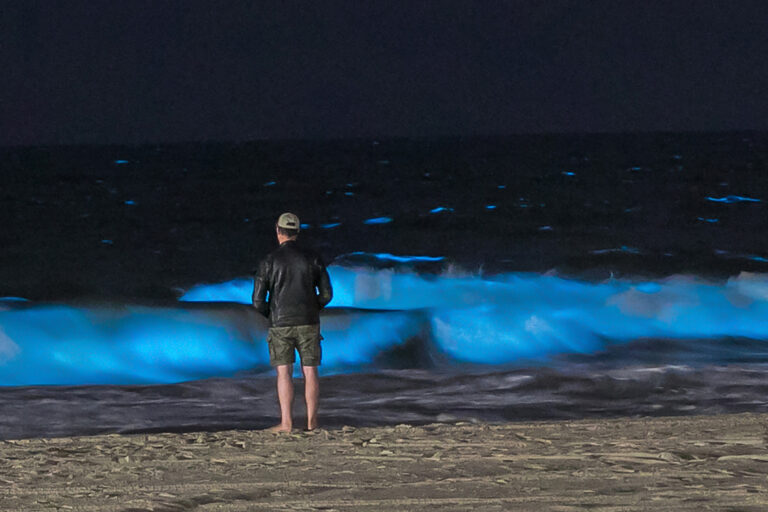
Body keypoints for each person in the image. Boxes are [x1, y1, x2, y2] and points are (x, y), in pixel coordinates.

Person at [252, 212, 333, 432]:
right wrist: (312, 308)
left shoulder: (269, 261)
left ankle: (286, 423)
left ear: (278, 231)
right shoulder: (313, 258)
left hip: (280, 324)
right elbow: (327, 294)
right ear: (297, 232)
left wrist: (272, 314)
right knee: (311, 372)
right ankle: (312, 423)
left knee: (284, 373)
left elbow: (258, 301)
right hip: (308, 322)